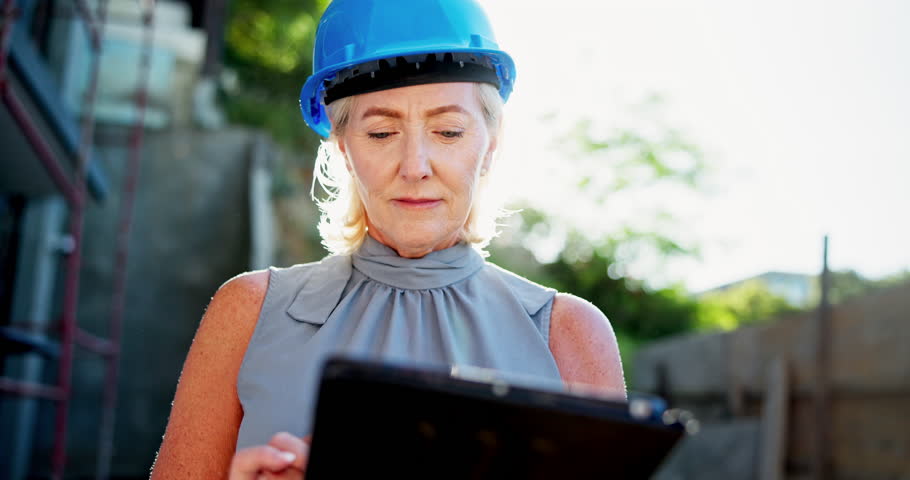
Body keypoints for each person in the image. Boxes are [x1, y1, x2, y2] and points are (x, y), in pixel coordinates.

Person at [150, 1, 625, 478]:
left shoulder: (568, 335)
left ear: (490, 145)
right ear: (343, 148)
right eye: (380, 133)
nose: (415, 166)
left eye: (448, 131)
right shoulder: (248, 313)